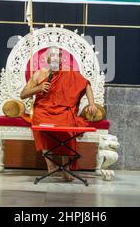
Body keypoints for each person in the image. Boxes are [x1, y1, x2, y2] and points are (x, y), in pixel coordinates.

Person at [20, 46, 97, 181]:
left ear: (62, 59)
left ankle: (66, 168)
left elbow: (86, 85)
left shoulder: (68, 73)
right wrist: (38, 88)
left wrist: (92, 103)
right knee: (39, 122)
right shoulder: (39, 74)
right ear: (46, 58)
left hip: (62, 110)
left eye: (59, 55)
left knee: (66, 123)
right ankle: (50, 165)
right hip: (44, 110)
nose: (56, 57)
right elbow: (23, 95)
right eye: (53, 55)